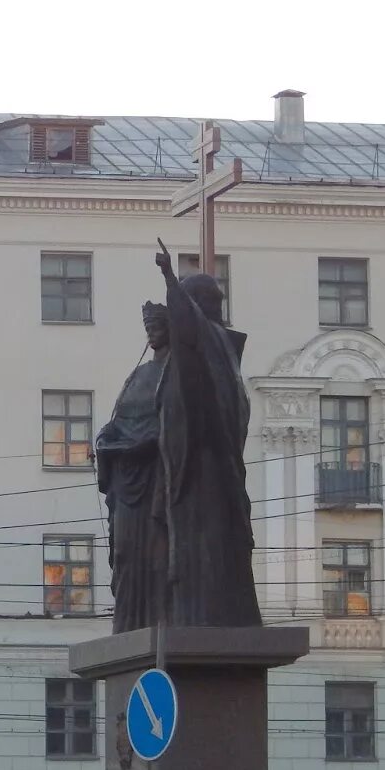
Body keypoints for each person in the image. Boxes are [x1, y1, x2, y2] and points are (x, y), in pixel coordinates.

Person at [154, 240, 260, 628]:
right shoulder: (218, 351)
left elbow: (187, 323)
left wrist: (169, 277)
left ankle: (205, 615)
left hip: (205, 472)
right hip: (209, 469)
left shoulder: (209, 344)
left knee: (207, 550)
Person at [96, 302, 172, 632]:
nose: (151, 330)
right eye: (148, 325)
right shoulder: (138, 374)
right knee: (125, 553)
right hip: (125, 477)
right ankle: (127, 624)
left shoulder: (178, 373)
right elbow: (115, 421)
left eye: (156, 324)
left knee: (158, 554)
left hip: (157, 476)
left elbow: (179, 424)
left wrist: (150, 443)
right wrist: (104, 440)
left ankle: (159, 623)